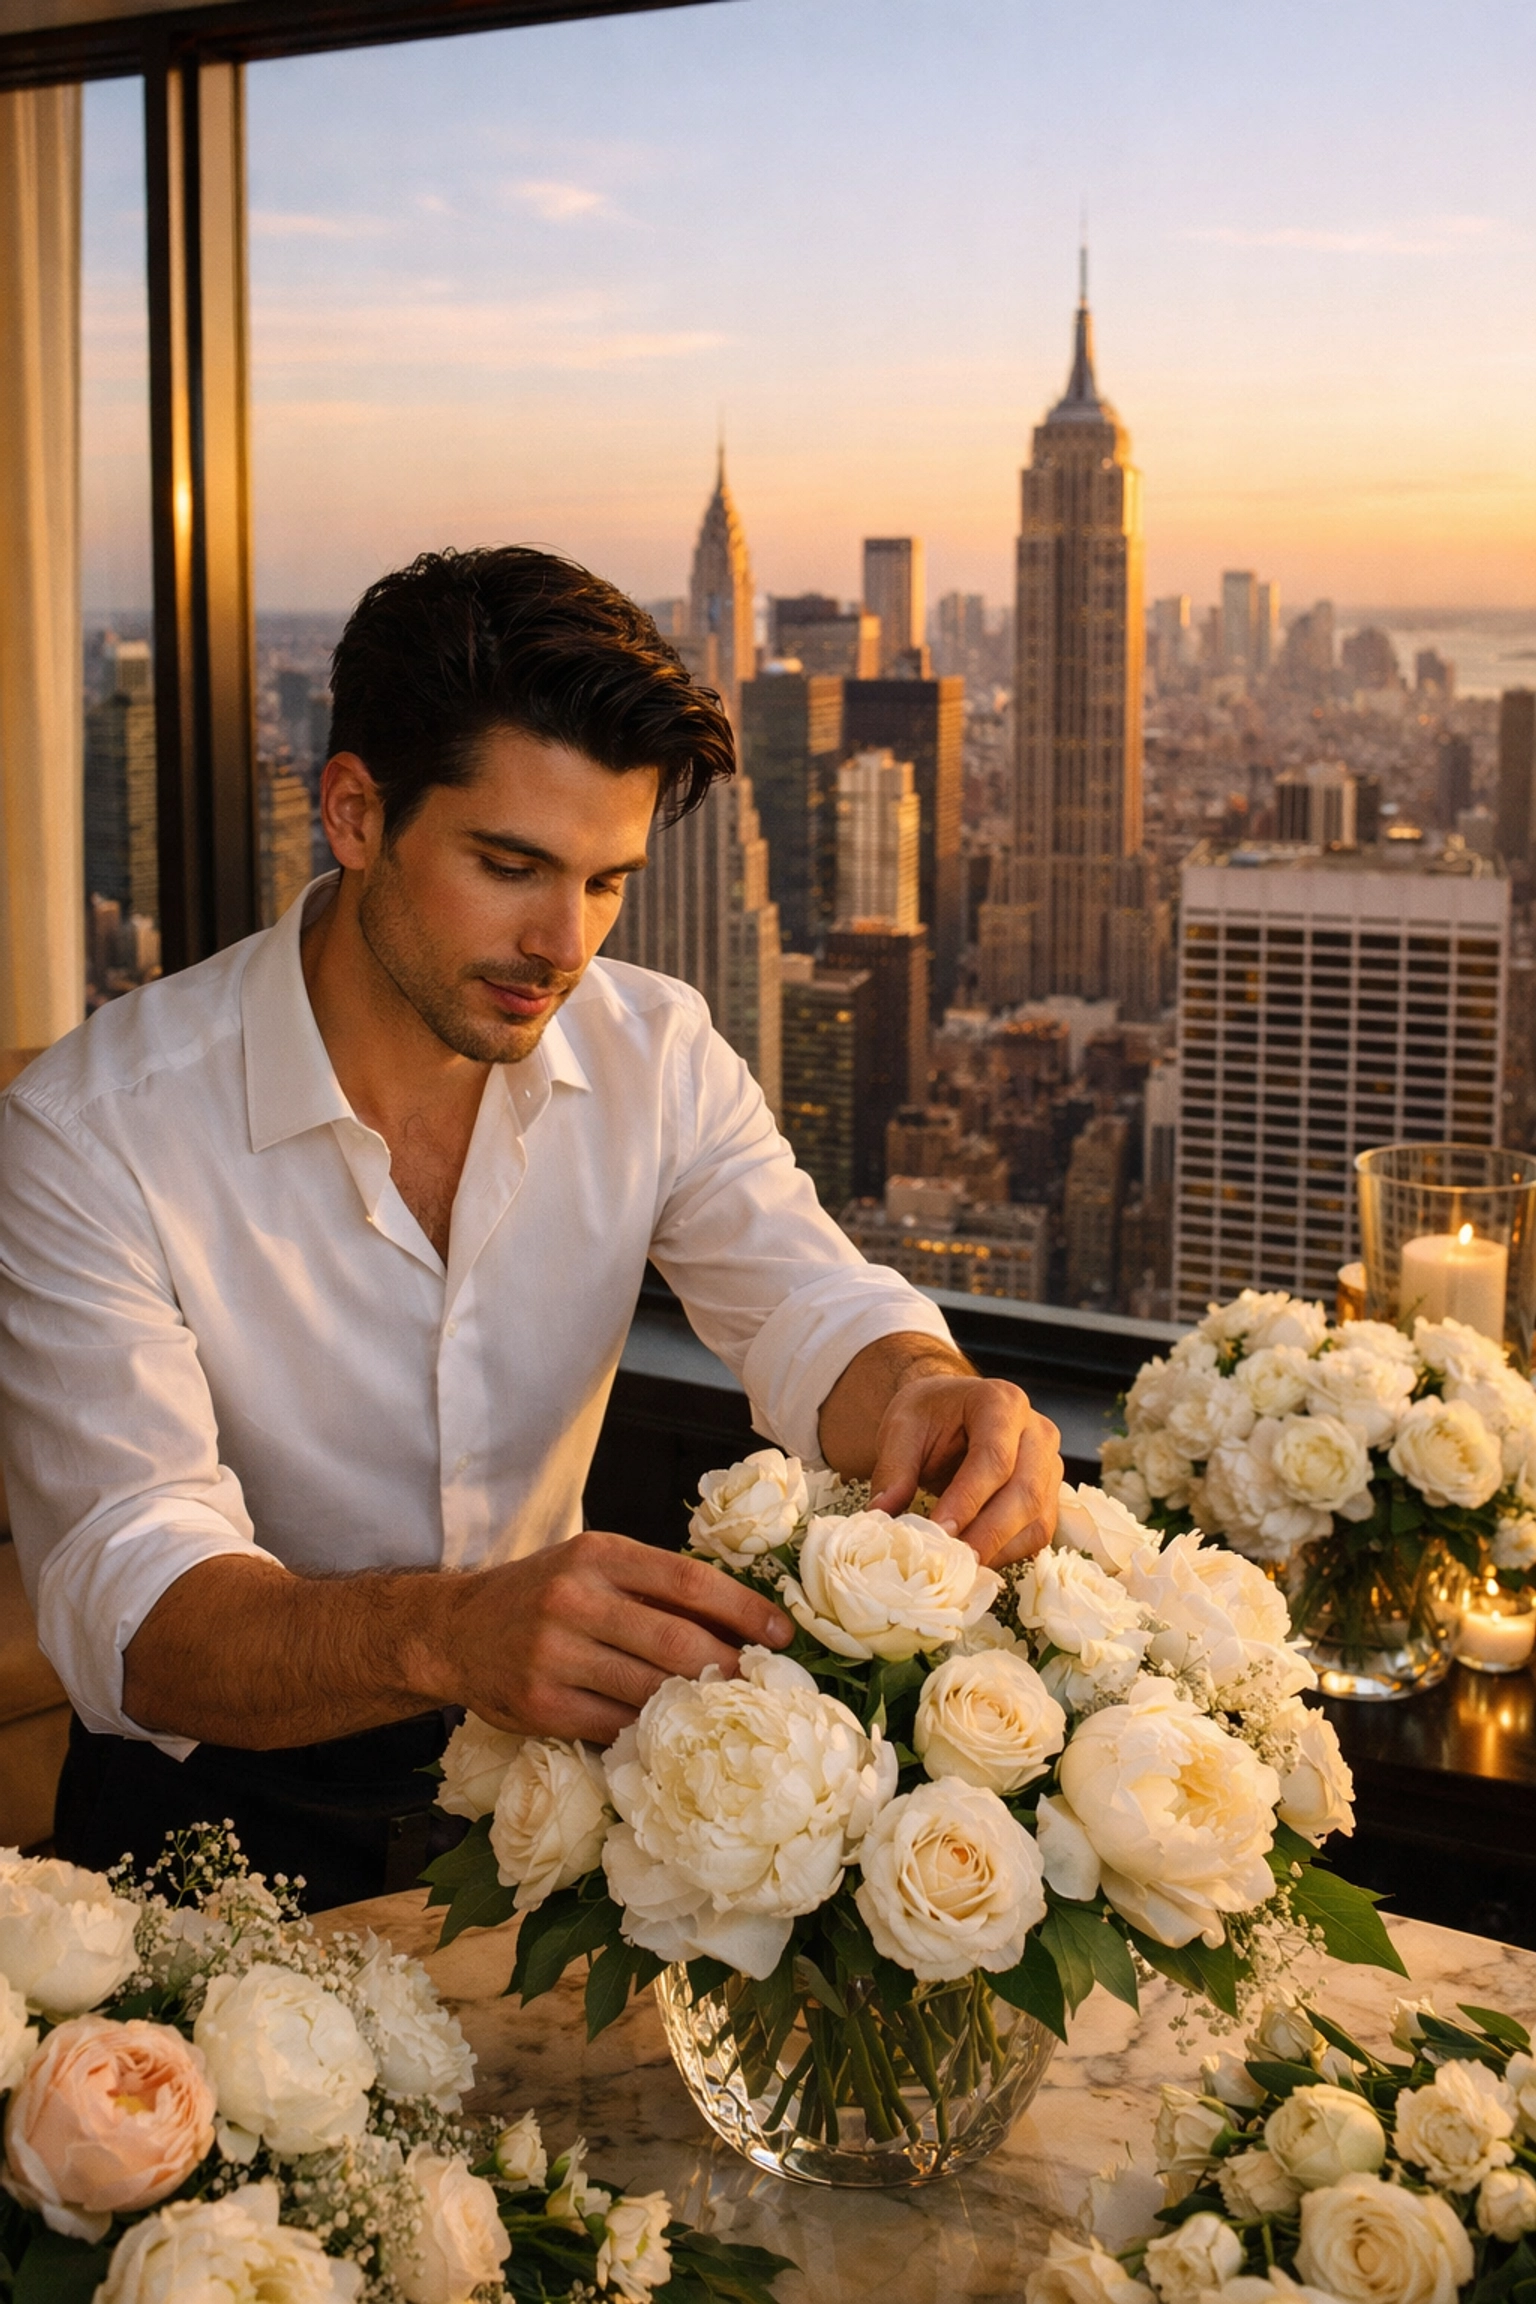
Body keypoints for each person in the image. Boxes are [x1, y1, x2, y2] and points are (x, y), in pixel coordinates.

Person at [0, 548, 1061, 1908]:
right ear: (354, 813)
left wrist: (929, 1388)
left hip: (550, 1820)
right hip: (207, 1829)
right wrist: (452, 1634)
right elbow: (135, 1617)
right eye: (510, 865)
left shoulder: (655, 1052)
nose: (564, 943)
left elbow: (811, 1311)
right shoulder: (92, 1131)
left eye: (607, 880)